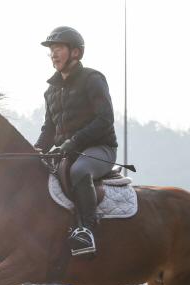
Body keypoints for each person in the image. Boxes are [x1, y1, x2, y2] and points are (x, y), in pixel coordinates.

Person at [34, 26, 118, 258]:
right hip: (67, 152)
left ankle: (87, 230)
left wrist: (74, 142)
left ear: (75, 52)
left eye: (58, 48)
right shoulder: (50, 90)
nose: (53, 54)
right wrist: (36, 150)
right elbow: (49, 129)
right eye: (51, 50)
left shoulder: (93, 79)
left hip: (100, 150)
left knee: (79, 171)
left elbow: (105, 119)